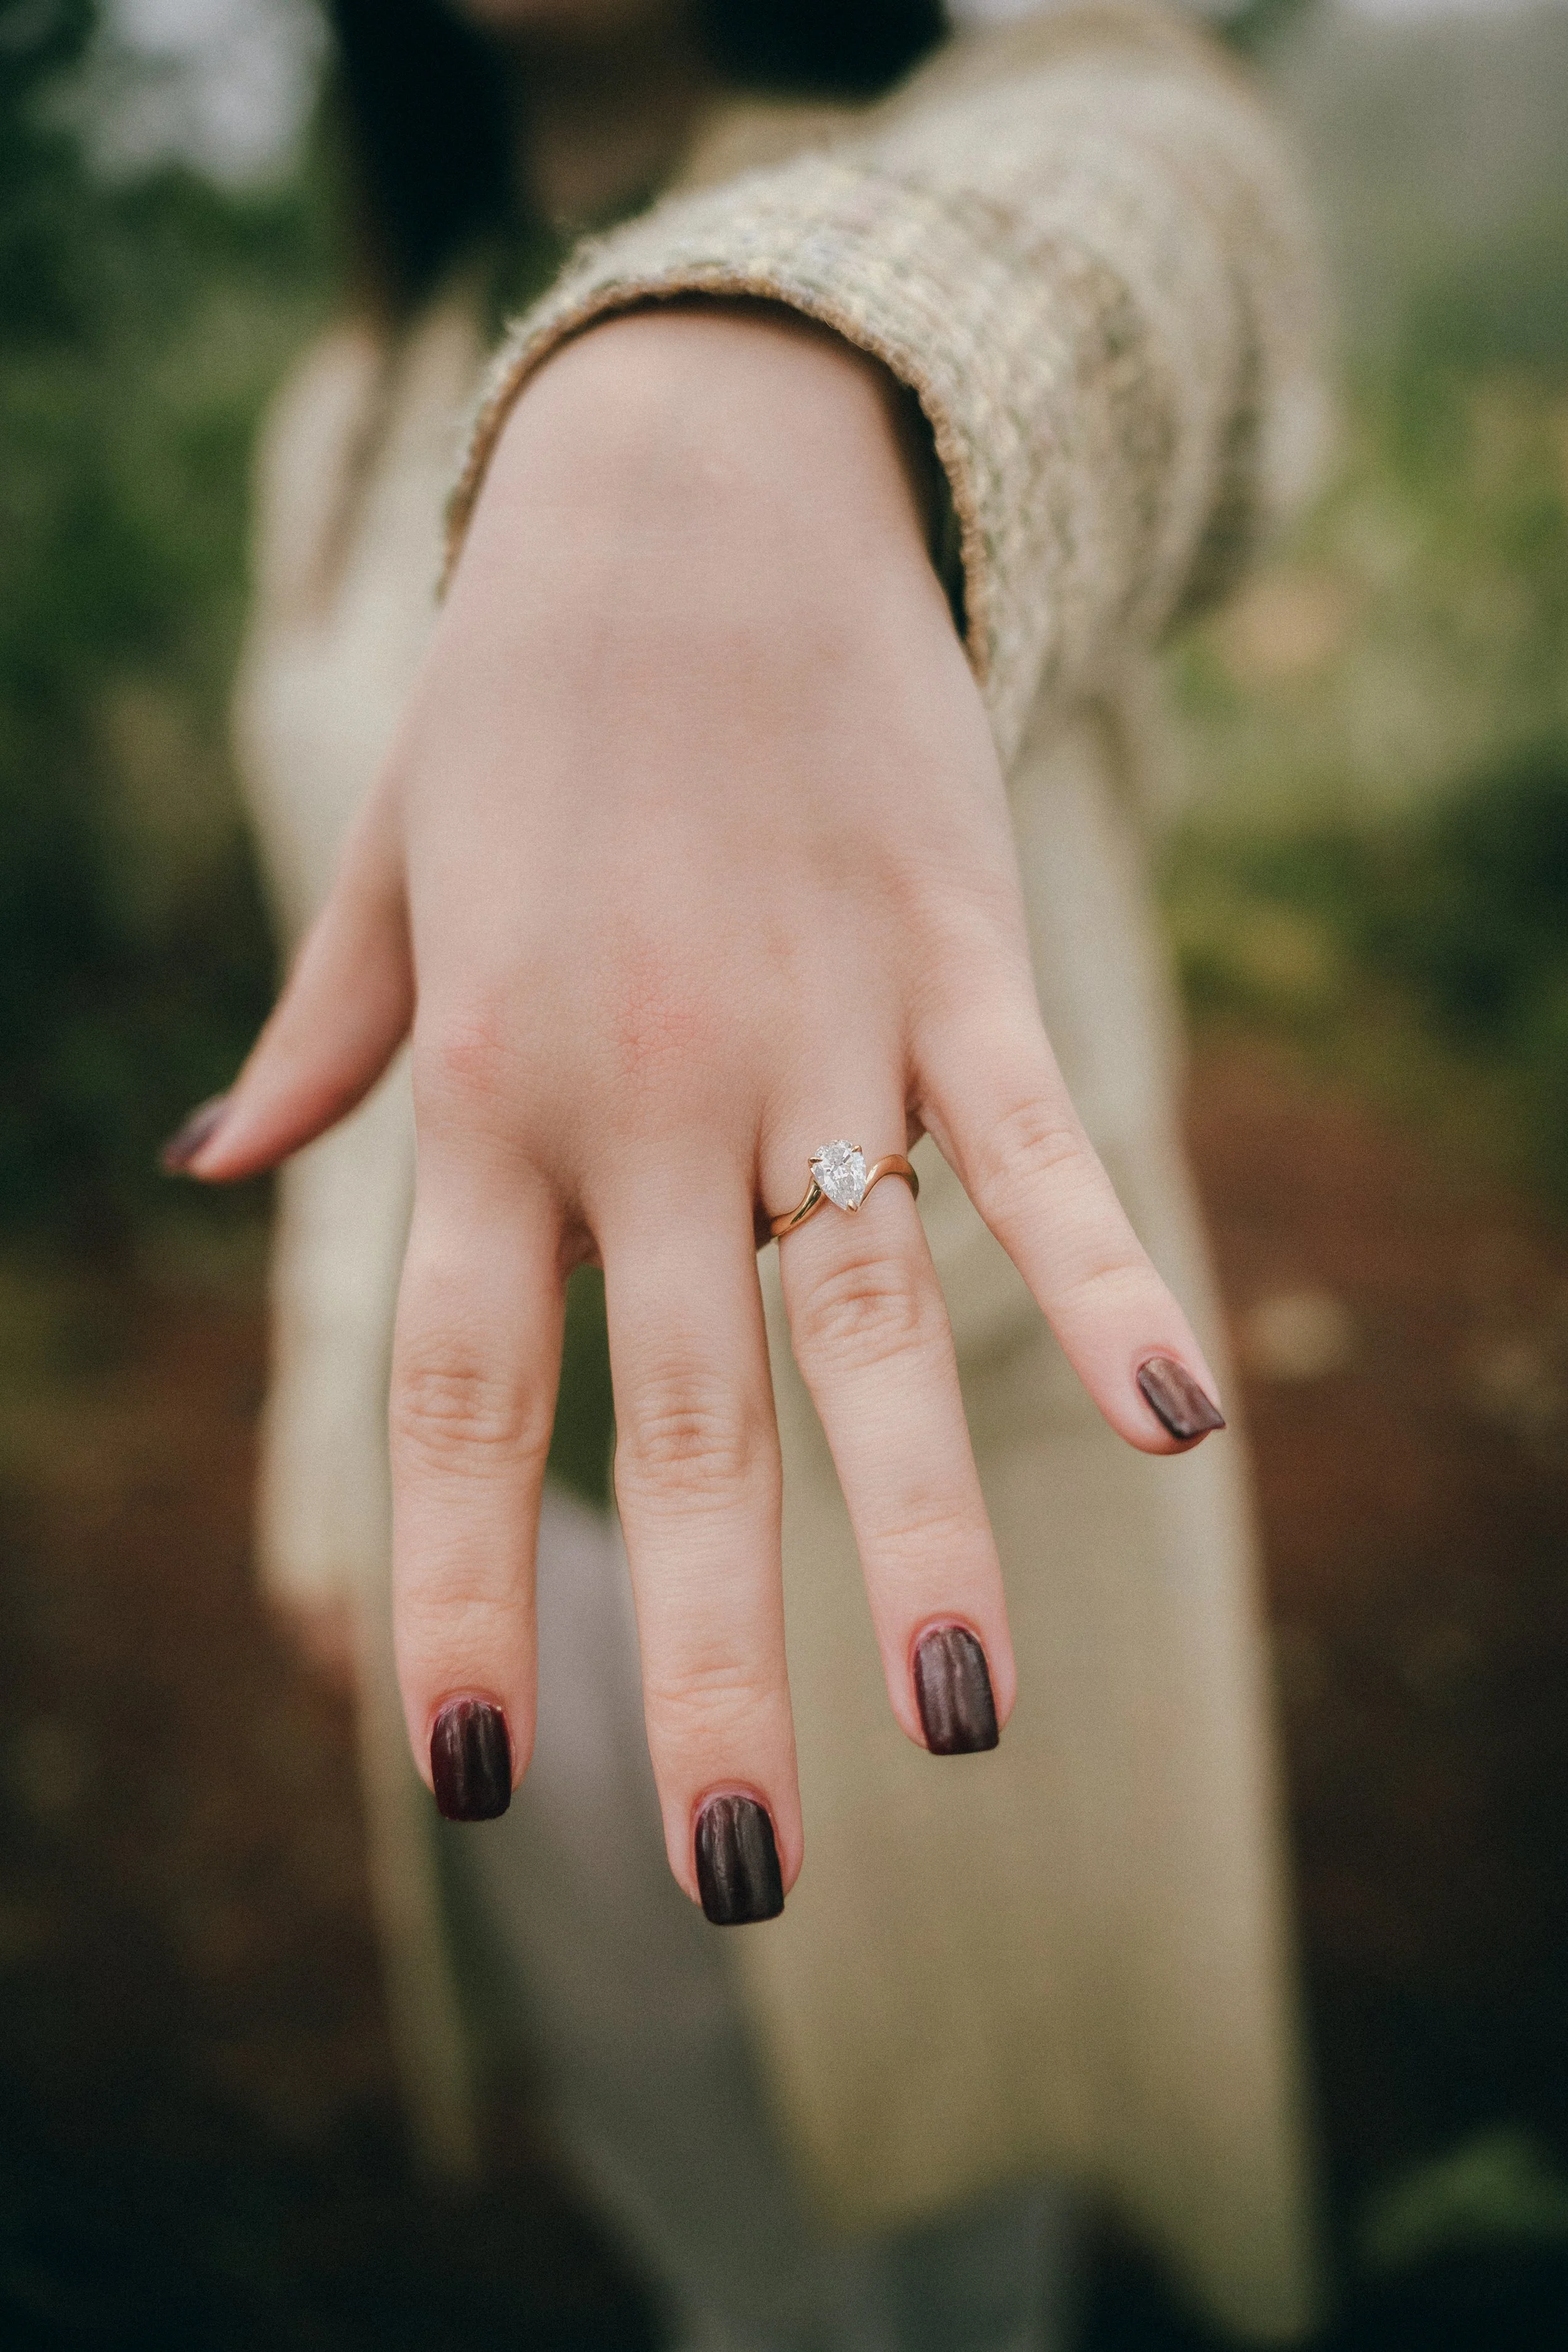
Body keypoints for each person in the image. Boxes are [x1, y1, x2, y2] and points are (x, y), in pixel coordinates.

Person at [164, 0, 1328, 2342]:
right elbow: (372, 1012)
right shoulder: (351, 398)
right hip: (508, 1524)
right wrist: (323, 1449)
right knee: (694, 2192)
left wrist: (757, 355)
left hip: (937, 1494)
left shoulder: (1032, 134)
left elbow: (1160, 239)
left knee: (972, 2202)